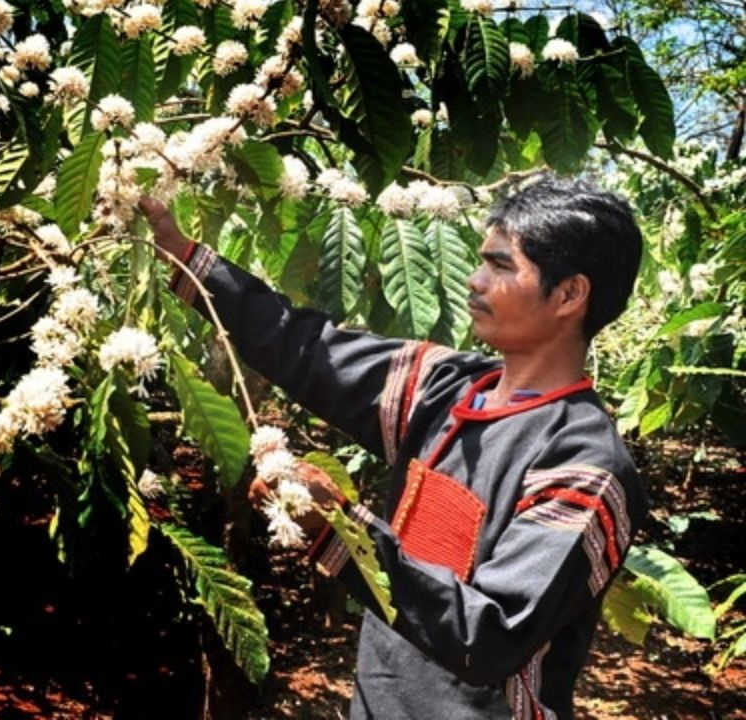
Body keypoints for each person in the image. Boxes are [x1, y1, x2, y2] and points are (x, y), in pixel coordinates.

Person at [138, 178, 648, 720]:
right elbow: (309, 350)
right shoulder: (444, 388)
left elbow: (489, 635)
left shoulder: (585, 469)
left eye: (501, 266)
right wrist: (186, 258)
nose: (473, 281)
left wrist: (342, 530)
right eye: (480, 261)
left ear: (569, 294)